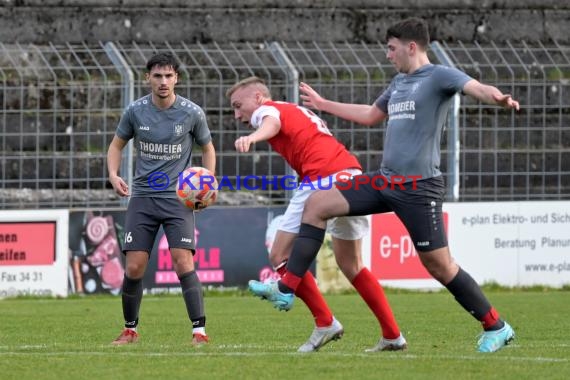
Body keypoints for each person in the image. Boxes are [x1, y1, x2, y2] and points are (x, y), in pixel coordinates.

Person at [248, 17, 519, 353]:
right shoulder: (398, 83)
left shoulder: (439, 76)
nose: (388, 55)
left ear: (411, 46)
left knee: (439, 266)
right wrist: (323, 104)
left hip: (419, 188)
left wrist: (498, 99)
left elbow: (476, 87)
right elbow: (370, 115)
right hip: (384, 180)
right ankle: (287, 288)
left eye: (392, 49)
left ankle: (496, 325)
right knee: (317, 204)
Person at [227, 76, 407, 353]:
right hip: (350, 175)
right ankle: (392, 335)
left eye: (239, 106)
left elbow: (270, 122)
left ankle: (324, 321)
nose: (237, 114)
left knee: (278, 255)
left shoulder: (268, 110)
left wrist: (253, 136)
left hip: (321, 180)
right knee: (351, 264)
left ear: (259, 98)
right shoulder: (294, 109)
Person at [107, 52, 216, 346]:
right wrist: (114, 174)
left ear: (176, 78)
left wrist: (206, 182)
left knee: (183, 263)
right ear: (148, 78)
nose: (163, 82)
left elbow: (208, 148)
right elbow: (116, 146)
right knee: (134, 268)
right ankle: (130, 330)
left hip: (177, 200)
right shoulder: (135, 111)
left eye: (169, 76)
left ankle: (199, 332)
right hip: (142, 198)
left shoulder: (192, 113)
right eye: (157, 76)